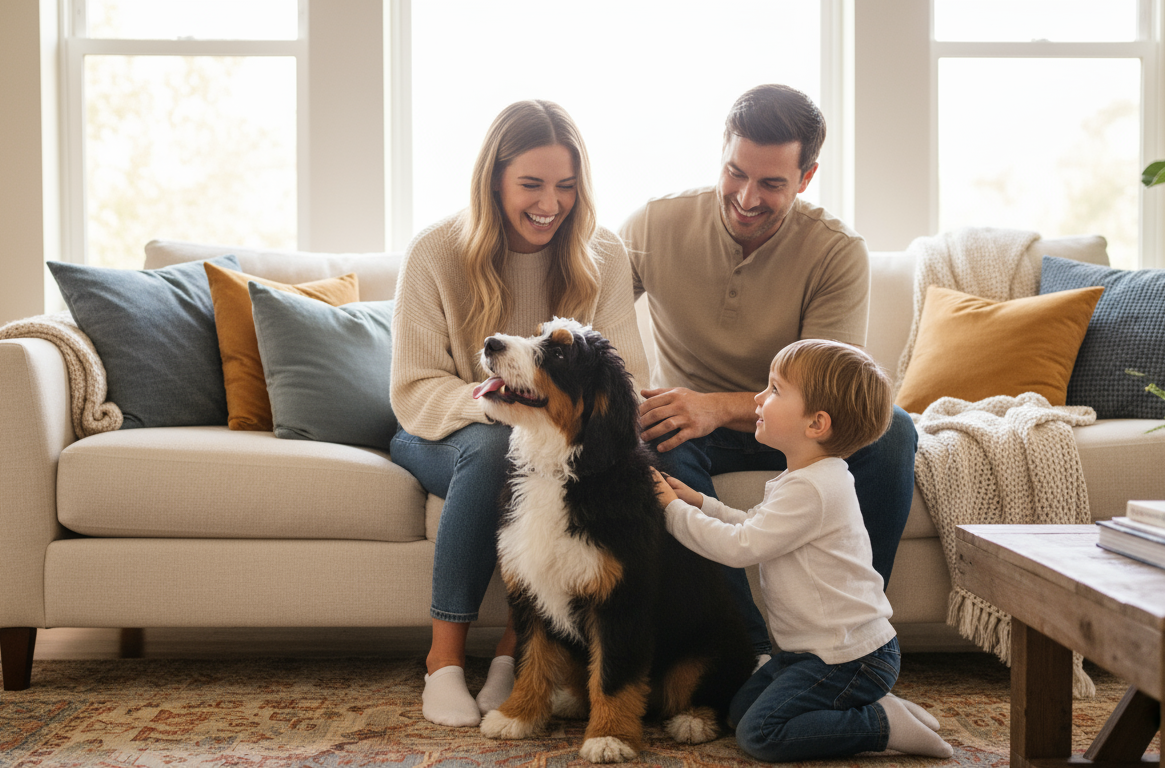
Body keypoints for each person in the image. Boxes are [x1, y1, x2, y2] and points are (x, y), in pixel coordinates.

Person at [620, 83, 918, 660]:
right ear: (722, 152)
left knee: (893, 431)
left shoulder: (836, 251)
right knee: (657, 438)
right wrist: (639, 397)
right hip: (695, 433)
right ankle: (750, 653)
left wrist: (714, 405)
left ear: (806, 178)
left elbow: (833, 394)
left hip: (797, 424)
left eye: (772, 184)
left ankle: (852, 643)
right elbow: (593, 321)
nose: (746, 197)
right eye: (736, 173)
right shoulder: (652, 225)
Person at [389, 100, 649, 728]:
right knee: (493, 452)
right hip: (442, 429)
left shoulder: (603, 252)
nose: (550, 204)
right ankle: (444, 663)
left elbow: (628, 378)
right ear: (495, 180)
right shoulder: (435, 251)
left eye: (566, 186)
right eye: (531, 184)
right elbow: (414, 388)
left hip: (541, 434)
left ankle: (516, 655)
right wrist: (505, 409)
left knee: (588, 462)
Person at [653, 339, 952, 762]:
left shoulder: (813, 489)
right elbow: (756, 524)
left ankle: (881, 724)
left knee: (760, 734)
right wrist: (702, 503)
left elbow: (740, 546)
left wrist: (672, 511)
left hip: (850, 659)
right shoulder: (803, 478)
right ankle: (872, 703)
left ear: (816, 424)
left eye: (774, 390)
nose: (757, 399)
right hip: (810, 655)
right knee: (738, 712)